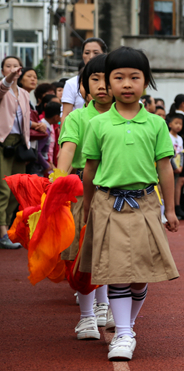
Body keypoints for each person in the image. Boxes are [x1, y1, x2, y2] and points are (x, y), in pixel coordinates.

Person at [79, 46, 180, 361]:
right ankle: (123, 334)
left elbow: (165, 167)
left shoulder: (155, 124)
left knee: (140, 276)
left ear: (146, 82)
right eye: (118, 77)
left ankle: (128, 325)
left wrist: (172, 209)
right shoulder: (98, 124)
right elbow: (90, 169)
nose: (126, 84)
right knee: (117, 271)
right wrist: (87, 204)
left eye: (134, 77)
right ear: (107, 84)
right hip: (107, 203)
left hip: (145, 203)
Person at [56, 53, 114, 338]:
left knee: (112, 252)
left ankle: (105, 305)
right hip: (82, 190)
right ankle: (88, 316)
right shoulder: (78, 116)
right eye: (94, 79)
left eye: (108, 79)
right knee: (84, 252)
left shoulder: (127, 116)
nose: (102, 85)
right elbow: (67, 148)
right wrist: (57, 182)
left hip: (117, 191)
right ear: (83, 86)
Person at [0, 56, 31, 249]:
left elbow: (23, 119)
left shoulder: (25, 93)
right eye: (7, 66)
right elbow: (2, 88)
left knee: (16, 189)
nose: (12, 69)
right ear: (3, 70)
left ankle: (8, 228)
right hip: (3, 144)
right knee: (3, 189)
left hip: (20, 146)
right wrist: (8, 79)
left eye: (15, 65)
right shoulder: (2, 89)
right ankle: (3, 233)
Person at [62, 37, 108, 119]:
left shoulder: (114, 79)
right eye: (87, 53)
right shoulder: (71, 83)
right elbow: (66, 115)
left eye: (96, 53)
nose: (91, 57)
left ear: (104, 54)